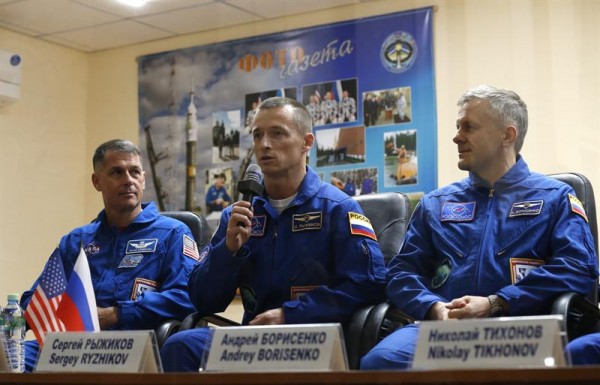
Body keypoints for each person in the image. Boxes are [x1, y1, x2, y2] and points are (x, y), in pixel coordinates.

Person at [360, 85, 598, 370]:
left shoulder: (555, 198)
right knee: (380, 361)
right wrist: (434, 307)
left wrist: (497, 302)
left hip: (522, 325)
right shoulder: (436, 204)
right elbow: (401, 273)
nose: (456, 136)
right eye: (458, 126)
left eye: (468, 127)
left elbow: (578, 268)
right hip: (444, 329)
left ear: (507, 136)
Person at [160, 96, 387, 372]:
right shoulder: (238, 214)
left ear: (307, 143)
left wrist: (290, 315)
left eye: (277, 133)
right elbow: (204, 300)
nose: (264, 144)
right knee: (180, 345)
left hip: (314, 338)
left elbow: (367, 285)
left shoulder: (338, 208)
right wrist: (227, 253)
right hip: (253, 341)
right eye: (258, 135)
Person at [21, 139, 198, 372]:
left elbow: (185, 296)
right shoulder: (78, 240)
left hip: (132, 343)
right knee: (9, 356)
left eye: (135, 172)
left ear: (143, 178)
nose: (128, 180)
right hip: (71, 345)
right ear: (97, 182)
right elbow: (37, 299)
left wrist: (117, 313)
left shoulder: (172, 233)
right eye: (117, 172)